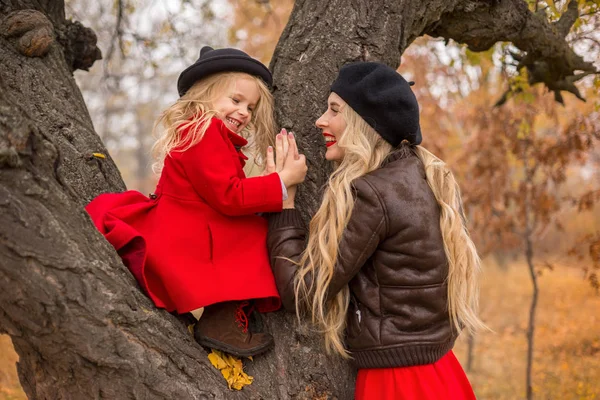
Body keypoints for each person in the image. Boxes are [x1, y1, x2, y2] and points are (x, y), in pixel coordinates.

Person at [266, 62, 483, 399]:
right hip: (439, 372)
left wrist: (284, 205)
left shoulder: (372, 194)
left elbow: (302, 292)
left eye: (334, 110)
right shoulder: (421, 177)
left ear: (364, 123)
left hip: (397, 384)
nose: (320, 120)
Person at [86, 46, 307, 357]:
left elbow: (223, 190)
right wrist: (283, 181)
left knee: (253, 229)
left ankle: (223, 318)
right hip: (183, 229)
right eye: (236, 100)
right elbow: (229, 196)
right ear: (204, 97)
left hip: (190, 222)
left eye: (251, 108)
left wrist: (267, 185)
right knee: (255, 235)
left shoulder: (207, 133)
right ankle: (221, 323)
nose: (244, 112)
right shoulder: (205, 131)